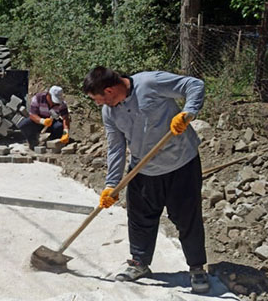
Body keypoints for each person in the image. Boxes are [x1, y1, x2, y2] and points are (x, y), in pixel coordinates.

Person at [82, 66, 208, 294]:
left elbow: (194, 85)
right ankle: (140, 263)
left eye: (97, 99)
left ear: (109, 90)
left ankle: (197, 267)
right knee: (139, 218)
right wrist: (111, 185)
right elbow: (116, 148)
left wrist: (188, 113)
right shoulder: (110, 113)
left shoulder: (150, 83)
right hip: (143, 168)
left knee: (186, 217)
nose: (98, 104)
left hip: (181, 163)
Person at [17, 85, 71, 150]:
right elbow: (32, 115)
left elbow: (65, 118)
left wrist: (65, 132)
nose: (54, 103)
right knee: (23, 125)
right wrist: (42, 121)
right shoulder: (38, 98)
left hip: (52, 122)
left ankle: (51, 143)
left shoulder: (61, 103)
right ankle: (33, 141)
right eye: (53, 100)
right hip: (38, 120)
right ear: (48, 95)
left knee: (59, 127)